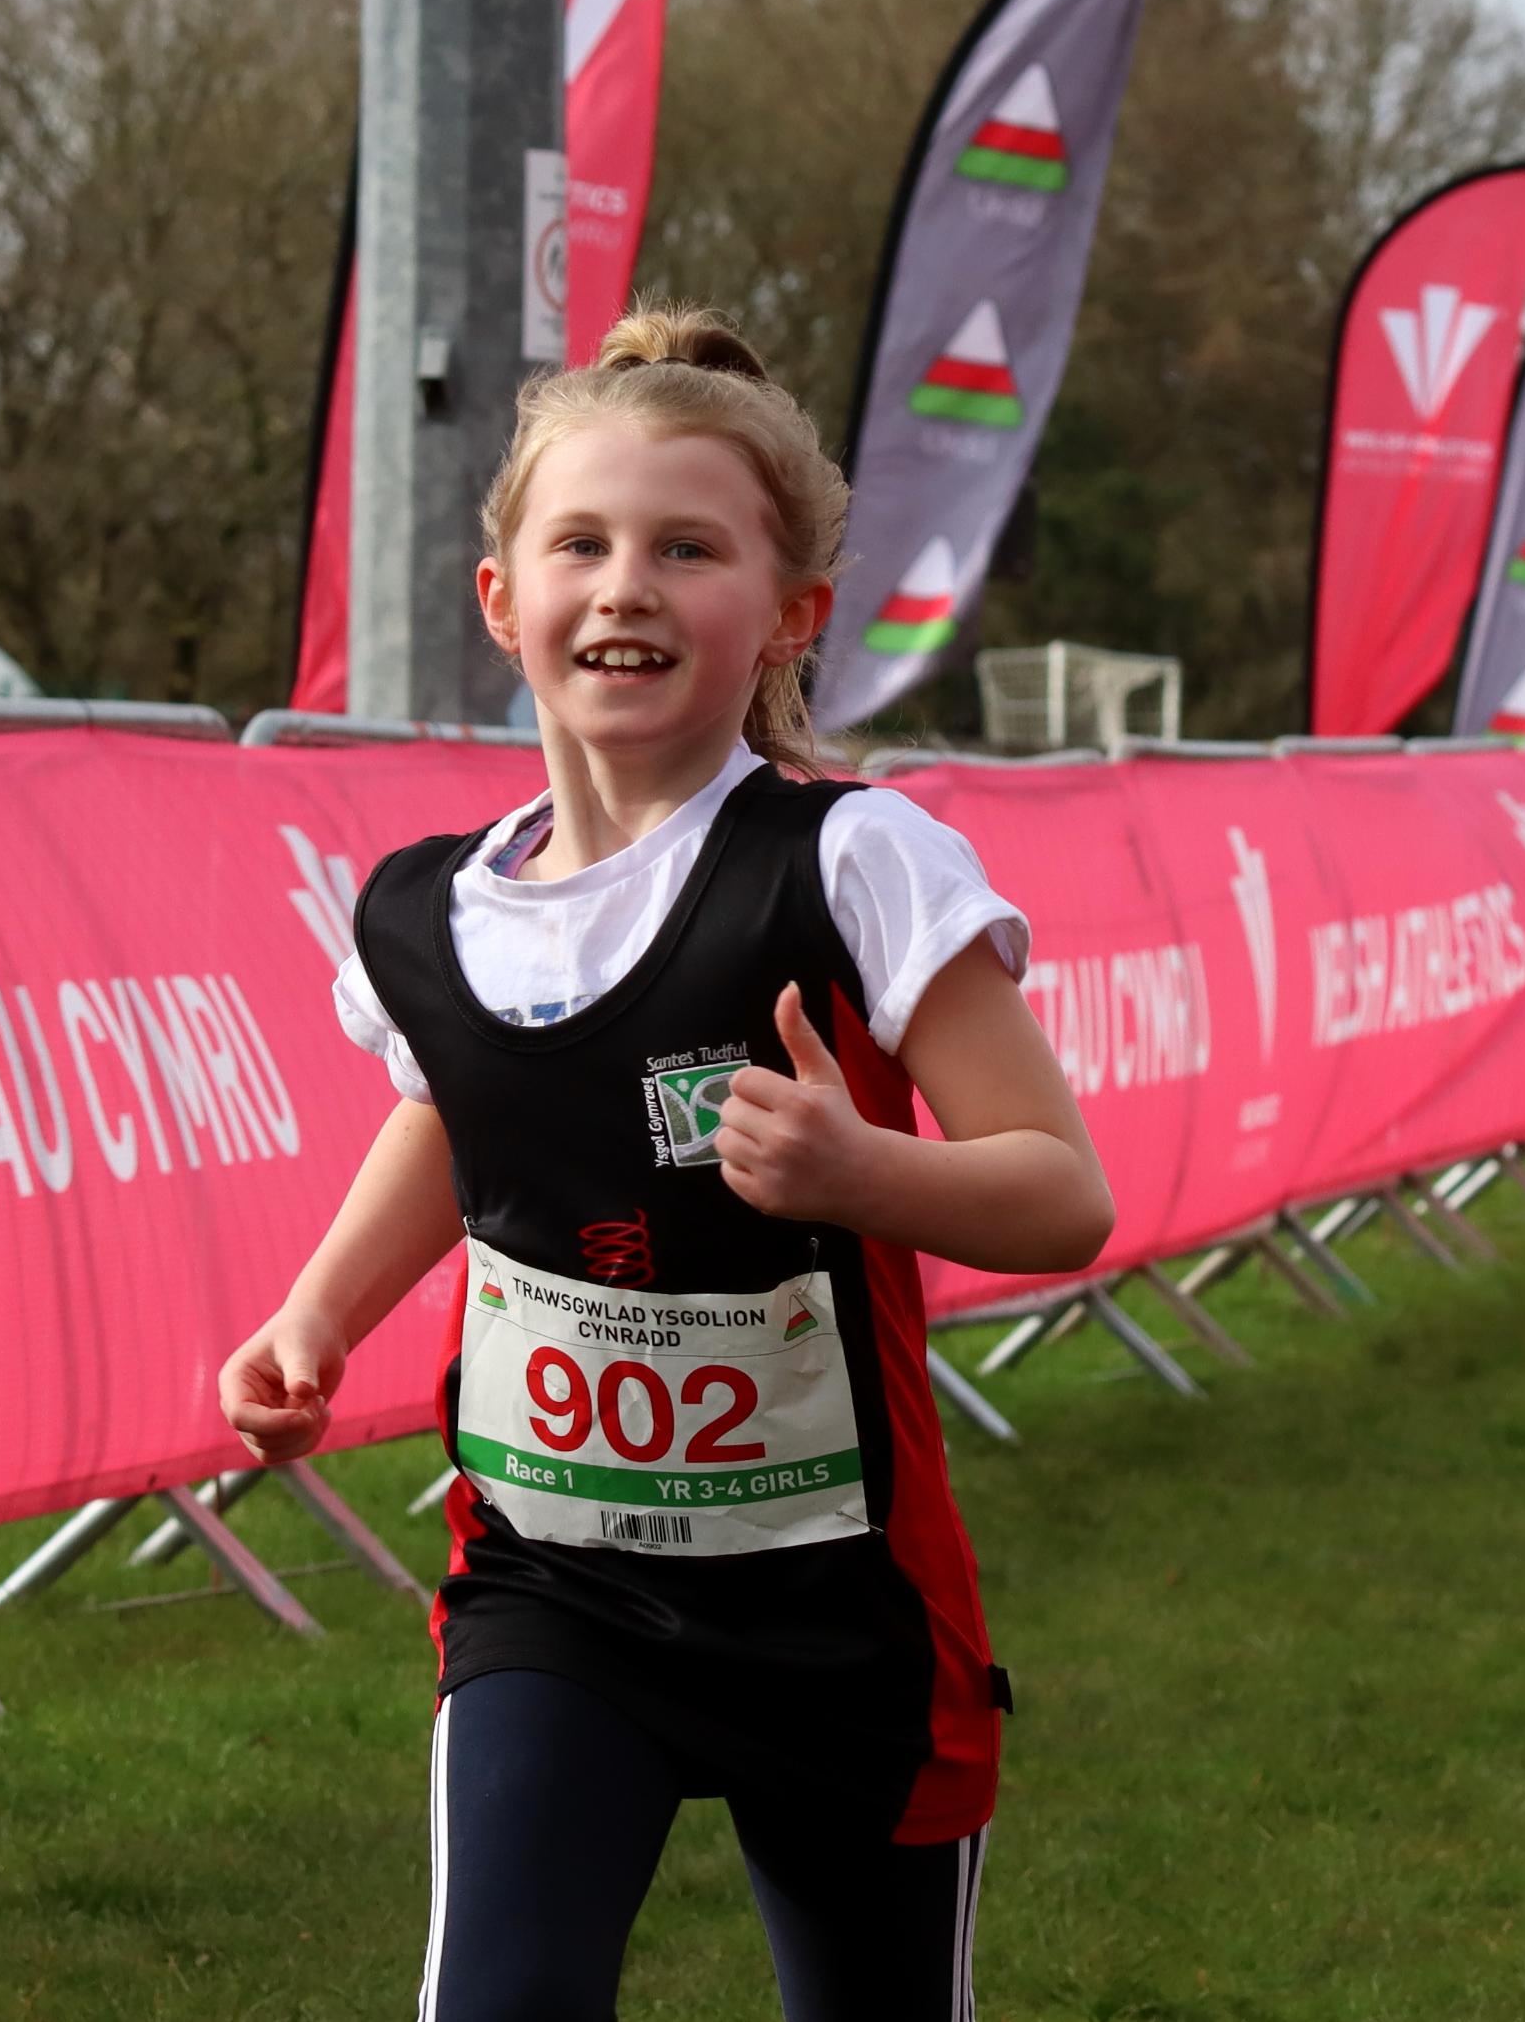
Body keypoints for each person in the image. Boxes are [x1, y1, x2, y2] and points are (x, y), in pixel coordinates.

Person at [218, 303, 1113, 2021]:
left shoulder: (854, 860)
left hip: (837, 1608)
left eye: (686, 548)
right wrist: (316, 1315)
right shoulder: (422, 910)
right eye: (583, 543)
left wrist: (867, 1172)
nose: (625, 586)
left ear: (788, 613)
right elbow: (454, 1115)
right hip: (553, 1587)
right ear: (504, 600)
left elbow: (1061, 1190)